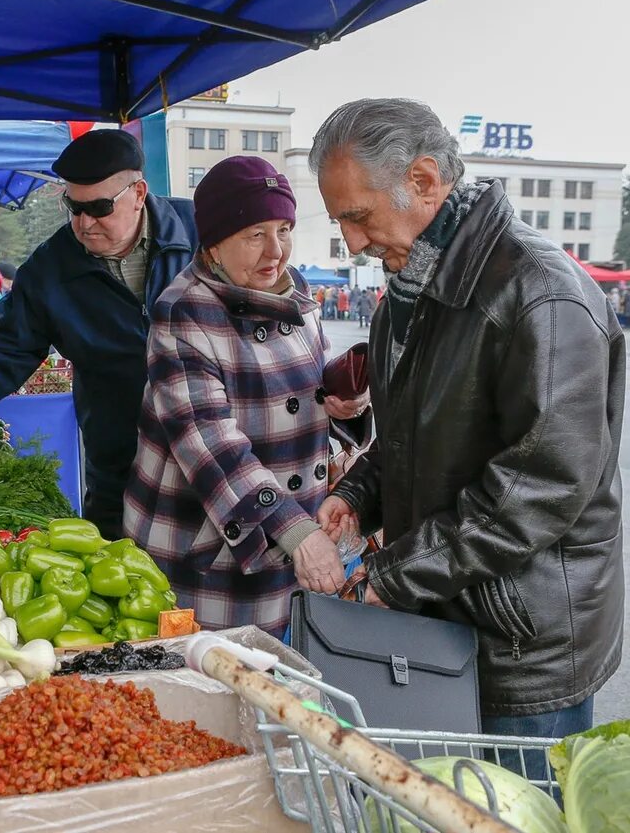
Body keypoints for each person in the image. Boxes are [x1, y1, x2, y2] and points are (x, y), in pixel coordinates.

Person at [311, 98, 623, 745]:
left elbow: (540, 487)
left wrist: (396, 575)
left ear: (424, 180)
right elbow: (408, 436)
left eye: (358, 216)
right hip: (439, 614)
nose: (353, 243)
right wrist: (356, 495)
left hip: (521, 641)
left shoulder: (541, 292)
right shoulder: (402, 296)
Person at [0, 129, 196, 537]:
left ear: (138, 193)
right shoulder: (54, 267)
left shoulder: (200, 233)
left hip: (213, 453)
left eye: (100, 207)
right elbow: (3, 345)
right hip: (120, 465)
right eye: (74, 207)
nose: (85, 223)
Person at [124, 157, 370, 639]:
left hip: (288, 537)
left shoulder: (296, 292)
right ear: (214, 242)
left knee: (279, 682)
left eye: (283, 229)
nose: (275, 250)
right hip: (210, 548)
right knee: (211, 688)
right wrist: (297, 531)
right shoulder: (184, 311)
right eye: (255, 234)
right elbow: (210, 442)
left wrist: (344, 411)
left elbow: (301, 393)